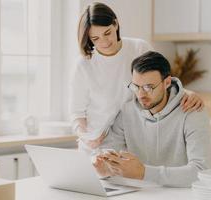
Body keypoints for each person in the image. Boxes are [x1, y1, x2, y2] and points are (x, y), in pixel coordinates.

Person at [69, 2, 204, 152]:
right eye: (95, 38)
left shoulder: (138, 48)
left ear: (116, 24)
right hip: (96, 146)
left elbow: (162, 82)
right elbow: (77, 113)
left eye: (107, 33)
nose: (104, 42)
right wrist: (86, 137)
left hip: (134, 141)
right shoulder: (83, 65)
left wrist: (188, 94)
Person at [94, 51, 211, 187]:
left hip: (181, 195)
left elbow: (201, 172)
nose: (141, 94)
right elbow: (109, 150)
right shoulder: (127, 111)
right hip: (142, 193)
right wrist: (106, 167)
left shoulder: (192, 111)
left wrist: (144, 173)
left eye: (148, 87)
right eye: (136, 87)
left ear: (167, 82)